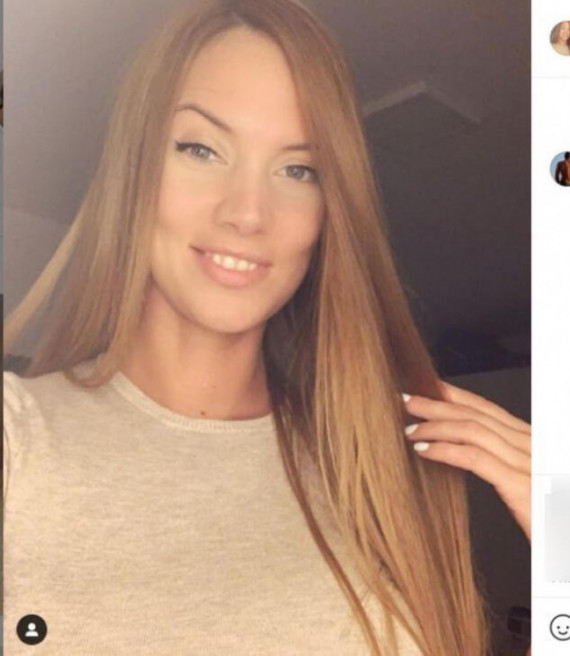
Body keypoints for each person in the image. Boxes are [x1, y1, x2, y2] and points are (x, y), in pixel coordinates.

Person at [2, 1, 531, 654]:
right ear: (134, 166)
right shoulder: (18, 439)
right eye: (201, 148)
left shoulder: (384, 472)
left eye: (298, 169)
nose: (249, 213)